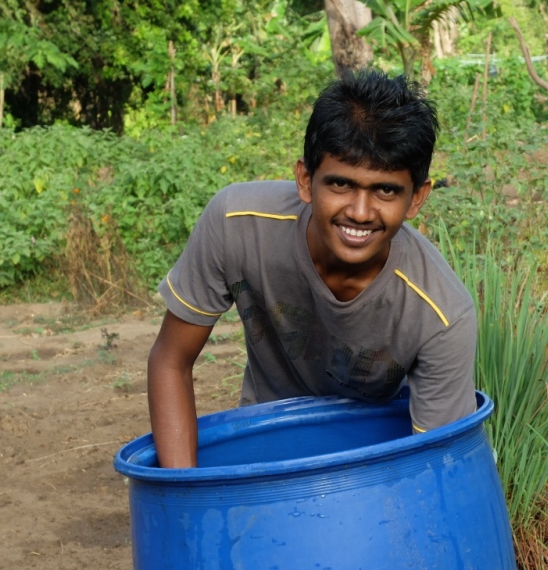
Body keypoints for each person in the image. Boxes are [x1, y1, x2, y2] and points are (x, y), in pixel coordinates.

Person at [147, 70, 477, 468]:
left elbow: (435, 465)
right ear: (305, 180)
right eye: (340, 184)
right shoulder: (237, 225)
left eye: (385, 190)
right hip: (266, 443)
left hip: (376, 461)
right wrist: (187, 501)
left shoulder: (440, 313)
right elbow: (171, 361)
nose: (359, 212)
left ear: (416, 198)